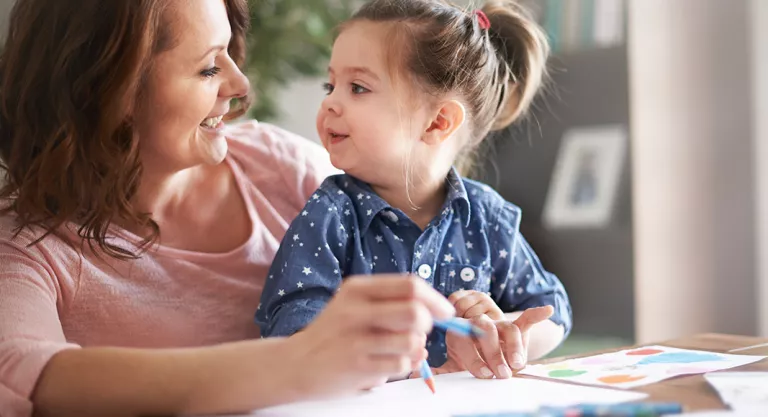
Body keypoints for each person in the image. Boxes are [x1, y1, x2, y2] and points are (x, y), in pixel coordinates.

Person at [0, 0, 458, 416]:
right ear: (111, 90)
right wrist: (296, 362)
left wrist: (470, 319)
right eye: (206, 70)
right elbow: (22, 371)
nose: (240, 84)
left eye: (228, 54)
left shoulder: (284, 169)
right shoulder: (26, 245)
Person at [256, 0, 572, 381]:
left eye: (357, 87)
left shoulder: (487, 217)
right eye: (331, 84)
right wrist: (361, 350)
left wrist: (504, 333)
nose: (330, 103)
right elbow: (289, 329)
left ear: (438, 122)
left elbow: (552, 311)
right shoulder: (331, 214)